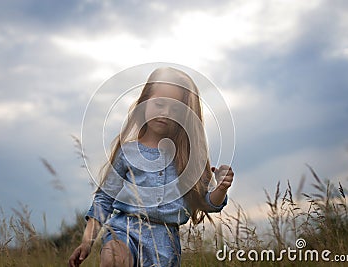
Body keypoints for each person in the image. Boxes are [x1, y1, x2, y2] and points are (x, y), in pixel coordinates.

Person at [68, 67, 234, 267]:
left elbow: (206, 202)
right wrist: (87, 241)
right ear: (144, 102)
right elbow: (104, 200)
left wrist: (220, 189)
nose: (165, 113)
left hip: (165, 245)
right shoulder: (127, 152)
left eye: (176, 109)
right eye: (159, 104)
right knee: (114, 258)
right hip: (123, 230)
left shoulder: (188, 158)